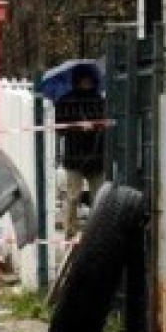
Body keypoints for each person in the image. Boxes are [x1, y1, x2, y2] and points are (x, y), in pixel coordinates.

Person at [55, 68, 109, 235]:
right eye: (83, 80)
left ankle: (97, 231)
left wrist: (95, 126)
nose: (87, 83)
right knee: (73, 196)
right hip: (74, 155)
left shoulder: (99, 100)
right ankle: (70, 230)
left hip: (96, 155)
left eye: (89, 80)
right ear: (77, 81)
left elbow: (105, 124)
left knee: (99, 197)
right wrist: (78, 126)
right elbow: (60, 128)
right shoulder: (65, 101)